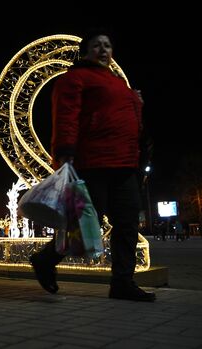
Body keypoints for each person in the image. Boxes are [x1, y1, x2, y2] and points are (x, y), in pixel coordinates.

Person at [29, 29, 156, 302]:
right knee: (87, 223)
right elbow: (66, 114)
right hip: (93, 160)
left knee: (127, 224)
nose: (103, 49)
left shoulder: (118, 84)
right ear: (85, 52)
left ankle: (122, 282)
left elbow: (128, 122)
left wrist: (136, 104)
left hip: (124, 163)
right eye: (97, 45)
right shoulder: (75, 78)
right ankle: (46, 260)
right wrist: (64, 151)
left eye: (108, 45)